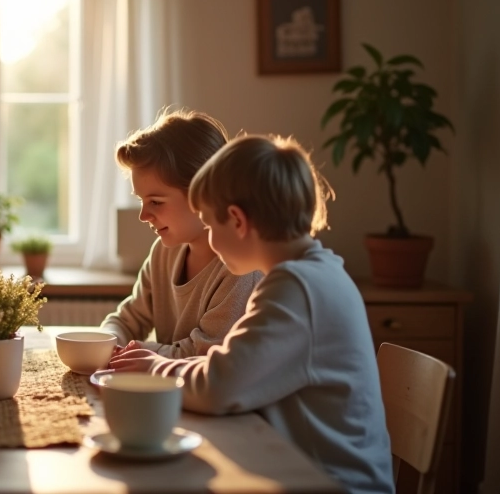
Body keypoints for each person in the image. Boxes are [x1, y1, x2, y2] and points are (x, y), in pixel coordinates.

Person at [152, 134, 393, 493]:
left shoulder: (297, 287)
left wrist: (152, 370)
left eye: (210, 225)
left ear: (237, 220)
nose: (209, 240)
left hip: (333, 485)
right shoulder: (316, 271)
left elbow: (219, 388)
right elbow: (234, 367)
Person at [102, 110, 262, 371]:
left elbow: (206, 354)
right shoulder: (163, 253)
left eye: (155, 202)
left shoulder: (241, 269)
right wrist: (107, 342)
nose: (143, 216)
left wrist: (134, 352)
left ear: (204, 193)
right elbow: (128, 319)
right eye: (141, 200)